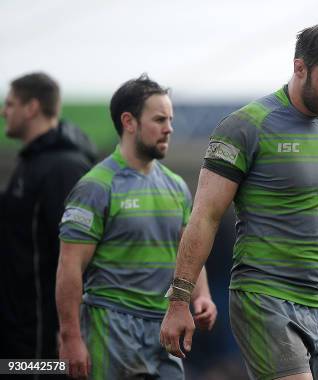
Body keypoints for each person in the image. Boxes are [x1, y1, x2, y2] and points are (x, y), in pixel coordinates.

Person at [159, 17, 318, 380]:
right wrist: (179, 299)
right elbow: (205, 216)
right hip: (263, 297)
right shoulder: (245, 126)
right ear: (299, 68)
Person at [56, 74, 217, 379]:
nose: (169, 128)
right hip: (111, 326)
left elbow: (190, 252)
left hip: (164, 327)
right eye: (159, 119)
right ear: (129, 122)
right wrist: (71, 338)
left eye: (170, 119)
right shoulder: (95, 187)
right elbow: (69, 267)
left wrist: (202, 296)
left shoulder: (176, 186)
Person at [0, 72, 96, 364]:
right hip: (20, 332)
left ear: (32, 108)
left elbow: (76, 256)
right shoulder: (31, 163)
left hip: (44, 339)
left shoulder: (62, 168)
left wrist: (70, 332)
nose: (4, 112)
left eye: (11, 104)